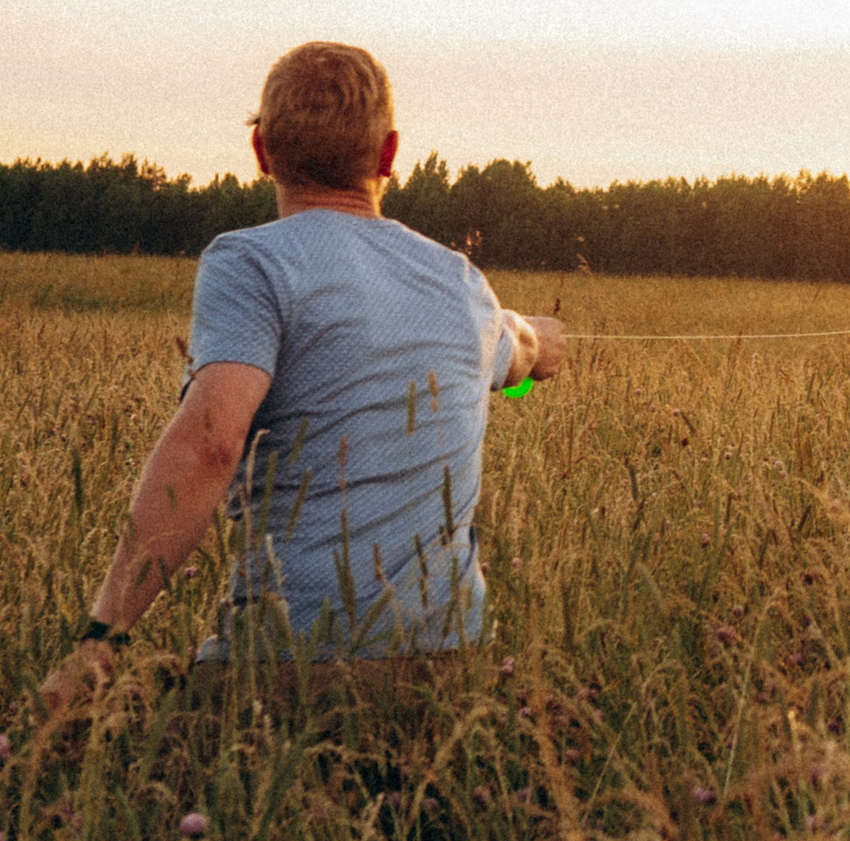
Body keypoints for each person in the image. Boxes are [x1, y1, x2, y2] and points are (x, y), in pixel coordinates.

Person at [40, 42, 565, 709]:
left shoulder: (250, 263)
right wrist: (532, 358)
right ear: (389, 154)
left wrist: (100, 638)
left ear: (261, 150)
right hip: (451, 675)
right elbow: (515, 360)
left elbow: (212, 445)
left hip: (288, 668)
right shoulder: (464, 284)